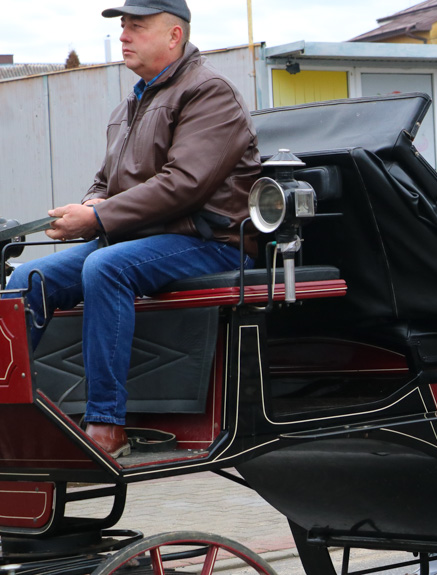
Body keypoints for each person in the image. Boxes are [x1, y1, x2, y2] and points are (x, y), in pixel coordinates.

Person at [3, 0, 260, 457]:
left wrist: (99, 219)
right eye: (123, 27)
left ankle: (106, 425)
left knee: (105, 267)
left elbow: (184, 184)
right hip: (143, 238)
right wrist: (89, 205)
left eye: (136, 27)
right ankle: (10, 416)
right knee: (27, 279)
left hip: (210, 240)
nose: (124, 36)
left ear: (173, 36)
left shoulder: (209, 92)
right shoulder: (134, 100)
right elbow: (106, 180)